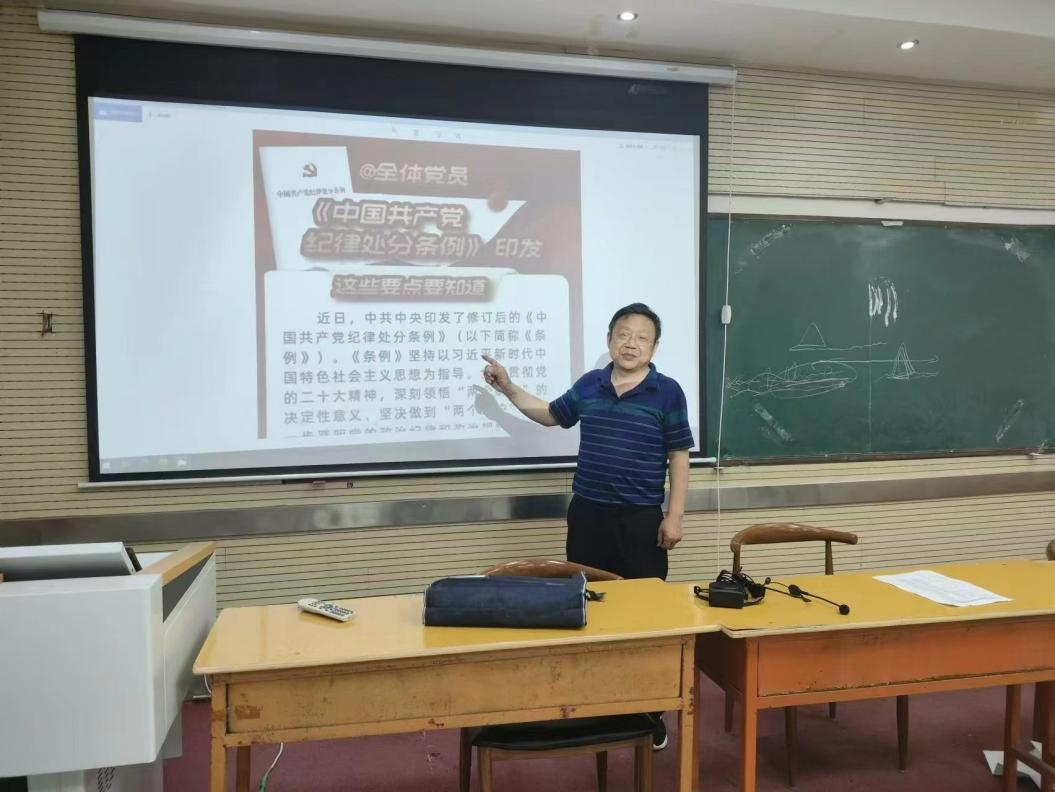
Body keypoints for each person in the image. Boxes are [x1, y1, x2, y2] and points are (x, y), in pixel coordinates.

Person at [482, 302, 693, 750]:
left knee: (645, 617)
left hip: (640, 521)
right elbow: (550, 414)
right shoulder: (590, 384)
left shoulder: (668, 392)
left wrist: (673, 516)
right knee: (589, 609)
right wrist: (508, 388)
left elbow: (678, 456)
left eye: (642, 337)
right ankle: (593, 703)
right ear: (609, 340)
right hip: (588, 516)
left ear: (654, 347)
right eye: (623, 334)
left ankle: (649, 712)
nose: (631, 343)